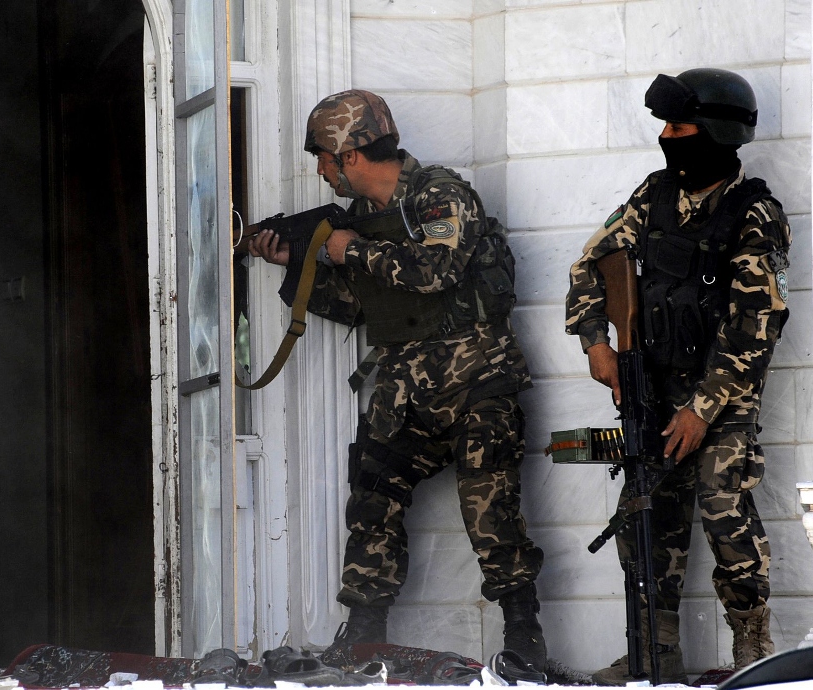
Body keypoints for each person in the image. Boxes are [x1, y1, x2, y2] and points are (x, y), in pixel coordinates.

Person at [249, 90, 547, 671]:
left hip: (477, 379)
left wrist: (350, 251)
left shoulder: (440, 193)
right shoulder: (361, 222)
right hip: (407, 389)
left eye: (323, 157)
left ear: (351, 154)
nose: (319, 170)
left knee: (491, 510)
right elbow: (363, 307)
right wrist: (298, 268)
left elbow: (436, 271)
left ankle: (525, 637)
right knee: (371, 498)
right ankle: (363, 635)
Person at [565, 68, 790, 683]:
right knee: (644, 518)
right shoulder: (653, 195)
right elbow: (592, 265)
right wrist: (595, 344)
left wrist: (702, 409)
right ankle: (653, 651)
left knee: (725, 511)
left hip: (722, 393)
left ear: (716, 132)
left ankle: (754, 649)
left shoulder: (755, 213)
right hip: (651, 387)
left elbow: (756, 327)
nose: (667, 137)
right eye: (664, 125)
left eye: (680, 126)